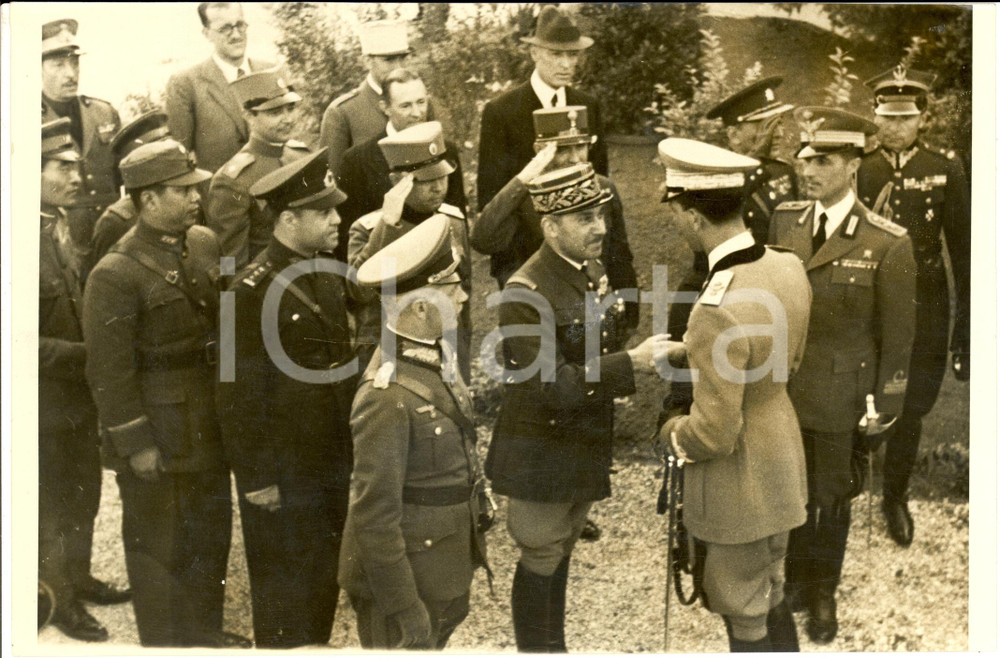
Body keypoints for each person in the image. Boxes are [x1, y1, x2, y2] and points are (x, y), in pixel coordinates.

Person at [484, 163, 669, 651]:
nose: (601, 229)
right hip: (541, 447)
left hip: (582, 438)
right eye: (585, 218)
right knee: (541, 553)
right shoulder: (523, 294)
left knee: (562, 548)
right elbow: (553, 385)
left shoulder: (592, 272)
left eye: (601, 216)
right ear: (550, 226)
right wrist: (630, 363)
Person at [82, 140, 249, 648]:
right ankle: (165, 643)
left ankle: (204, 631)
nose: (196, 198)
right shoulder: (114, 273)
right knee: (158, 545)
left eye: (194, 188)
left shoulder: (204, 242)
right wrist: (137, 444)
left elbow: (225, 317)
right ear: (147, 199)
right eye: (182, 190)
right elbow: (108, 372)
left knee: (210, 532)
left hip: (207, 419)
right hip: (160, 430)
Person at [654, 137, 811, 652]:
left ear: (696, 217)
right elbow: (772, 357)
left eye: (676, 210)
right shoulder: (786, 266)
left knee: (742, 614)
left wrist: (670, 433)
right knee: (770, 593)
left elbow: (713, 435)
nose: (677, 222)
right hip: (781, 460)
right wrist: (694, 353)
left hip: (736, 481)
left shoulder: (714, 307)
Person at [769, 107, 917, 644]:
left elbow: (899, 337)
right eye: (804, 157)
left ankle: (822, 588)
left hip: (841, 393)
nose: (807, 169)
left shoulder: (887, 241)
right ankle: (792, 580)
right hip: (783, 388)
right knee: (788, 488)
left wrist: (886, 404)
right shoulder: (785, 221)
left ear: (853, 164)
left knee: (831, 495)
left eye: (822, 160)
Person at [217, 149, 355, 648]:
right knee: (281, 598)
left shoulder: (326, 275)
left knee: (323, 581)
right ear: (289, 219)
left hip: (330, 463)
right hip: (284, 473)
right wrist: (256, 480)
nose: (337, 219)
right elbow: (235, 396)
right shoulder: (247, 291)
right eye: (325, 212)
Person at [339, 214, 490, 650]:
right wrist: (405, 609)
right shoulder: (385, 394)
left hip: (440, 565)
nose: (463, 296)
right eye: (452, 288)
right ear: (421, 307)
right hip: (407, 586)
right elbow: (374, 515)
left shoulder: (432, 354)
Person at [857, 65, 972, 547]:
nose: (896, 127)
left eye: (906, 118)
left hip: (926, 299)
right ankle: (845, 485)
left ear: (923, 118)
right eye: (887, 116)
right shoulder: (859, 168)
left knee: (913, 403)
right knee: (858, 390)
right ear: (875, 116)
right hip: (868, 300)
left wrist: (964, 331)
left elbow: (965, 253)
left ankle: (894, 496)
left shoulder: (945, 169)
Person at [39, 118, 130, 644]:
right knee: (52, 501)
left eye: (77, 166)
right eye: (62, 168)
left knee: (83, 493)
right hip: (44, 402)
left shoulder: (59, 225)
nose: (77, 177)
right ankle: (59, 600)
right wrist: (90, 356)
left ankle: (78, 577)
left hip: (74, 399)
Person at [470, 105, 638, 328]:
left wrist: (629, 316)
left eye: (581, 147)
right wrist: (523, 179)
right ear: (540, 150)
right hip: (541, 311)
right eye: (563, 150)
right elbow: (482, 238)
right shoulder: (524, 194)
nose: (574, 158)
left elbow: (618, 255)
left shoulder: (603, 187)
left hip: (593, 305)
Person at [669, 76, 799, 342]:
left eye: (778, 124)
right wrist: (753, 162)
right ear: (733, 134)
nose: (775, 133)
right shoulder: (709, 179)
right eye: (763, 125)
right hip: (726, 289)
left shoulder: (781, 173)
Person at [347, 121, 471, 377]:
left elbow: (462, 291)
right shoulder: (370, 229)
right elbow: (357, 292)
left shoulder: (453, 221)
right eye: (426, 180)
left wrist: (462, 357)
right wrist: (388, 225)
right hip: (391, 355)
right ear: (396, 181)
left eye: (442, 176)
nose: (438, 187)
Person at [477, 6, 608, 212]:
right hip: (527, 237)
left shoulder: (588, 106)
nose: (566, 64)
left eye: (572, 54)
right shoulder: (501, 112)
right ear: (534, 53)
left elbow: (600, 180)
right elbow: (490, 199)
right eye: (556, 54)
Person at [335, 68, 467, 262]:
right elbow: (348, 238)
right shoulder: (358, 160)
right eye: (405, 106)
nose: (417, 113)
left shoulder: (445, 149)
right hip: (385, 271)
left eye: (421, 102)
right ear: (385, 108)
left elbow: (457, 219)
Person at [206, 69, 310, 268]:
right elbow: (230, 261)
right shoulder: (232, 180)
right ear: (249, 116)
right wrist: (232, 300)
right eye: (275, 112)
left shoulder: (301, 155)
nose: (287, 118)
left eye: (290, 108)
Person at [41, 18, 121, 269]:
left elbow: (123, 178)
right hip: (63, 247)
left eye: (74, 62)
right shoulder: (25, 120)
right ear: (39, 68)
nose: (70, 73)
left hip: (112, 240)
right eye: (58, 64)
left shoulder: (103, 112)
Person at [319, 20, 444, 176]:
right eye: (389, 60)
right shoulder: (342, 112)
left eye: (402, 58)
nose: (398, 67)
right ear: (367, 61)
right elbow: (332, 179)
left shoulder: (421, 102)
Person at [165, 2, 275, 175]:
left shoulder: (270, 71)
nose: (236, 34)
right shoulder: (185, 84)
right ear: (207, 33)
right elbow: (180, 158)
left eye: (240, 25)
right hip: (222, 198)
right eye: (225, 29)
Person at [88, 109, 172, 274]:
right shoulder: (116, 223)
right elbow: (103, 284)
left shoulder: (192, 196)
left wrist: (228, 301)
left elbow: (225, 263)